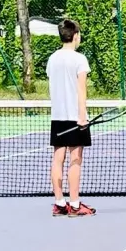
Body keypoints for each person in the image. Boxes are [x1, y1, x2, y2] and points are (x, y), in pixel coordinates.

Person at [46, 18, 96, 217]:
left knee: (57, 159)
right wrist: (82, 117)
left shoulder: (52, 59)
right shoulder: (79, 59)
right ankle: (74, 205)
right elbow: (81, 90)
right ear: (76, 36)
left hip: (57, 117)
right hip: (75, 117)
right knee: (75, 159)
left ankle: (59, 203)